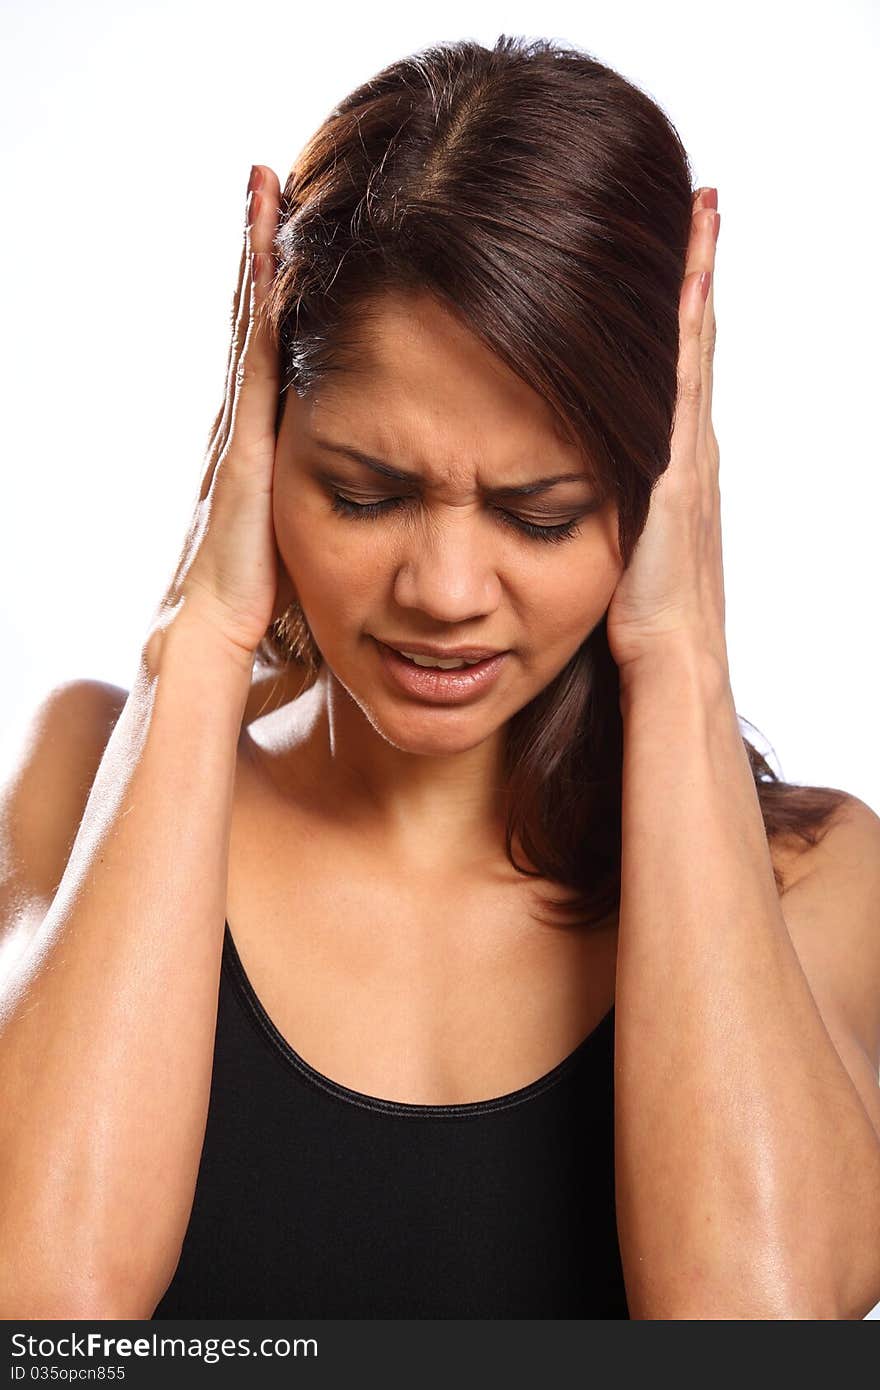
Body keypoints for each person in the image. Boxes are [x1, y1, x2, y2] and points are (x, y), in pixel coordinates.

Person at [1, 35, 879, 1321]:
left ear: (652, 493)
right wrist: (199, 638)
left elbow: (749, 1325)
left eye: (541, 514)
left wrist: (683, 653)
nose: (445, 591)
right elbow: (39, 1307)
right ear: (260, 442)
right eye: (367, 494)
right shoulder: (95, 774)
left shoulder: (813, 870)